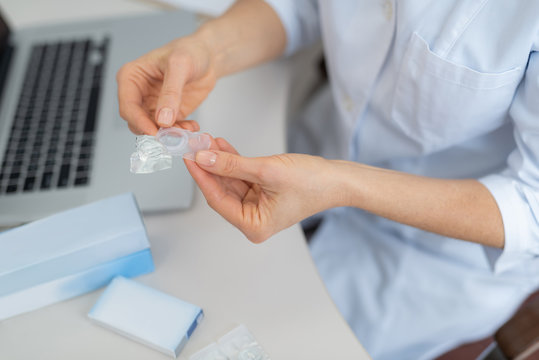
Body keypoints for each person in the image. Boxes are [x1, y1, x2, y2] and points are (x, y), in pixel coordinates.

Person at [116, 1, 539, 359]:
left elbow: (531, 205)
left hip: (429, 256)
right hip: (311, 151)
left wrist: (342, 185)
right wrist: (208, 49)